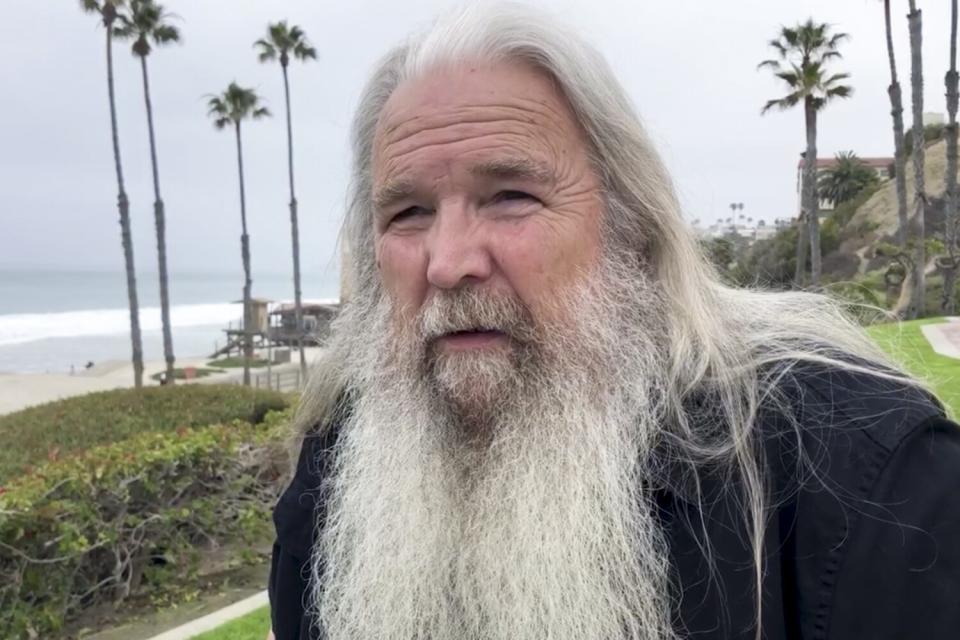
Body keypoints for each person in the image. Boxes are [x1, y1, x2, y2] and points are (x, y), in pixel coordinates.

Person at [268, 5, 960, 639]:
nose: (447, 262)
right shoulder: (333, 483)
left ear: (633, 227)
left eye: (510, 196)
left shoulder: (863, 481)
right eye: (408, 213)